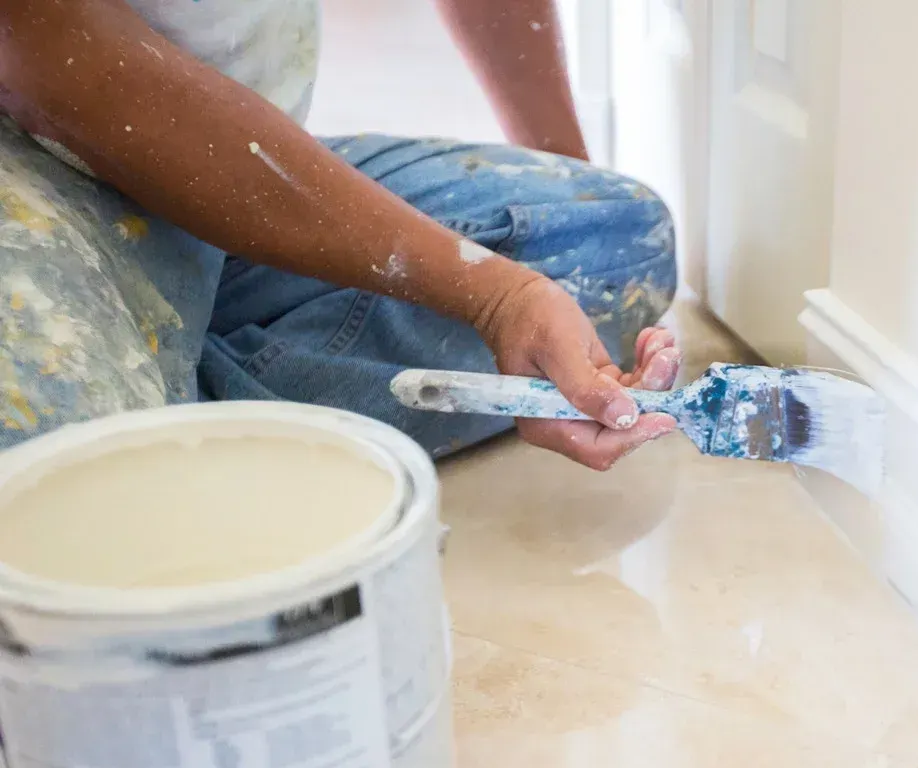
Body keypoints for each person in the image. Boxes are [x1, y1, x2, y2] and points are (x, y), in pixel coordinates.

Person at [0, 0, 683, 469]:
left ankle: (158, 395)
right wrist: (488, 293)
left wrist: (527, 292)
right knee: (43, 491)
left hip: (232, 169)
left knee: (603, 241)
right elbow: (52, 54)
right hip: (40, 174)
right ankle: (136, 410)